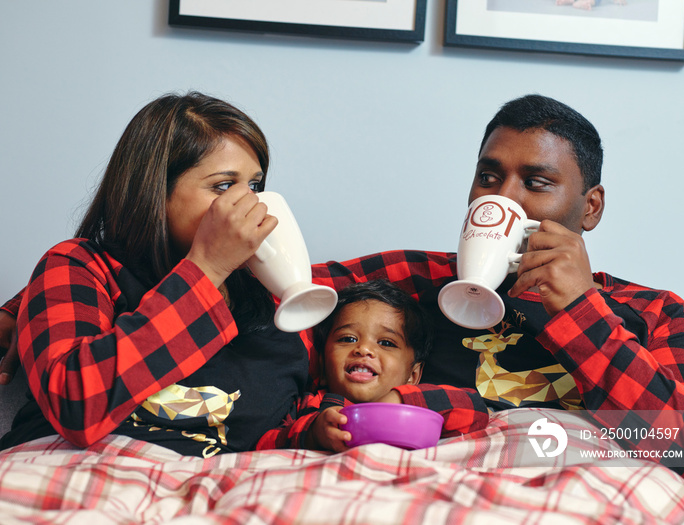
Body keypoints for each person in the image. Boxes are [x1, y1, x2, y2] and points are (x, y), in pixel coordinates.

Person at [2, 94, 684, 485]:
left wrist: (583, 315)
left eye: (536, 183)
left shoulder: (650, 313)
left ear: (592, 207)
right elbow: (301, 296)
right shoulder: (421, 283)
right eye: (489, 177)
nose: (503, 198)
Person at [0, 92, 484, 458]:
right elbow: (75, 403)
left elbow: (396, 279)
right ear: (154, 190)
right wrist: (205, 269)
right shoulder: (82, 267)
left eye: (255, 185)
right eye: (224, 185)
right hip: (75, 473)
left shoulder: (278, 295)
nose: (248, 203)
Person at [256, 280, 488, 452]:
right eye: (347, 339)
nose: (363, 350)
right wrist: (314, 433)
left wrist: (401, 399)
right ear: (324, 368)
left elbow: (475, 409)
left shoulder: (419, 405)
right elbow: (263, 442)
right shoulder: (313, 405)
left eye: (386, 343)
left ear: (413, 375)